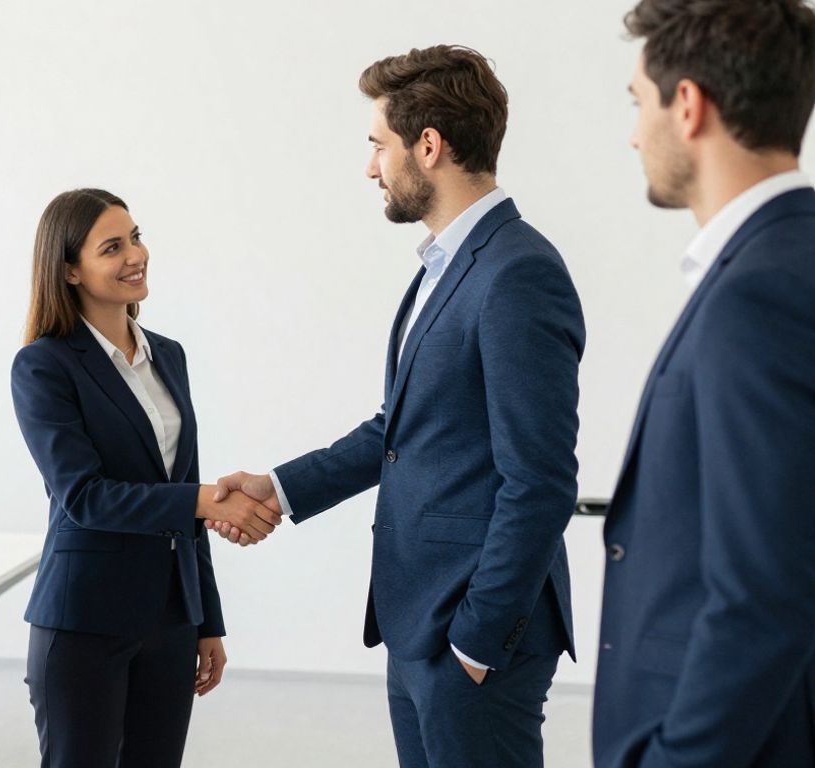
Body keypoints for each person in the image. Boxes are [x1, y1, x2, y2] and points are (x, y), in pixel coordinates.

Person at [214, 45, 585, 767]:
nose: (369, 168)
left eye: (377, 145)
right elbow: (400, 429)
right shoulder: (446, 267)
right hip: (420, 624)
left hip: (472, 635)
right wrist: (281, 488)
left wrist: (477, 640)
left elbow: (539, 481)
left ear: (429, 146)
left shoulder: (517, 274)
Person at [594, 2, 815, 766]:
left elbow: (764, 591)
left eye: (636, 102)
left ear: (687, 104)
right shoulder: (789, 260)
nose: (631, 133)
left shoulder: (759, 292)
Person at [10, 188, 278, 768]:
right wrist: (208, 501)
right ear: (70, 270)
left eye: (135, 236)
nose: (136, 254)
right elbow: (83, 497)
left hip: (170, 620)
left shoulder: (169, 355)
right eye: (112, 246)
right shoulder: (45, 365)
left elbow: (189, 492)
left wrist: (205, 618)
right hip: (85, 620)